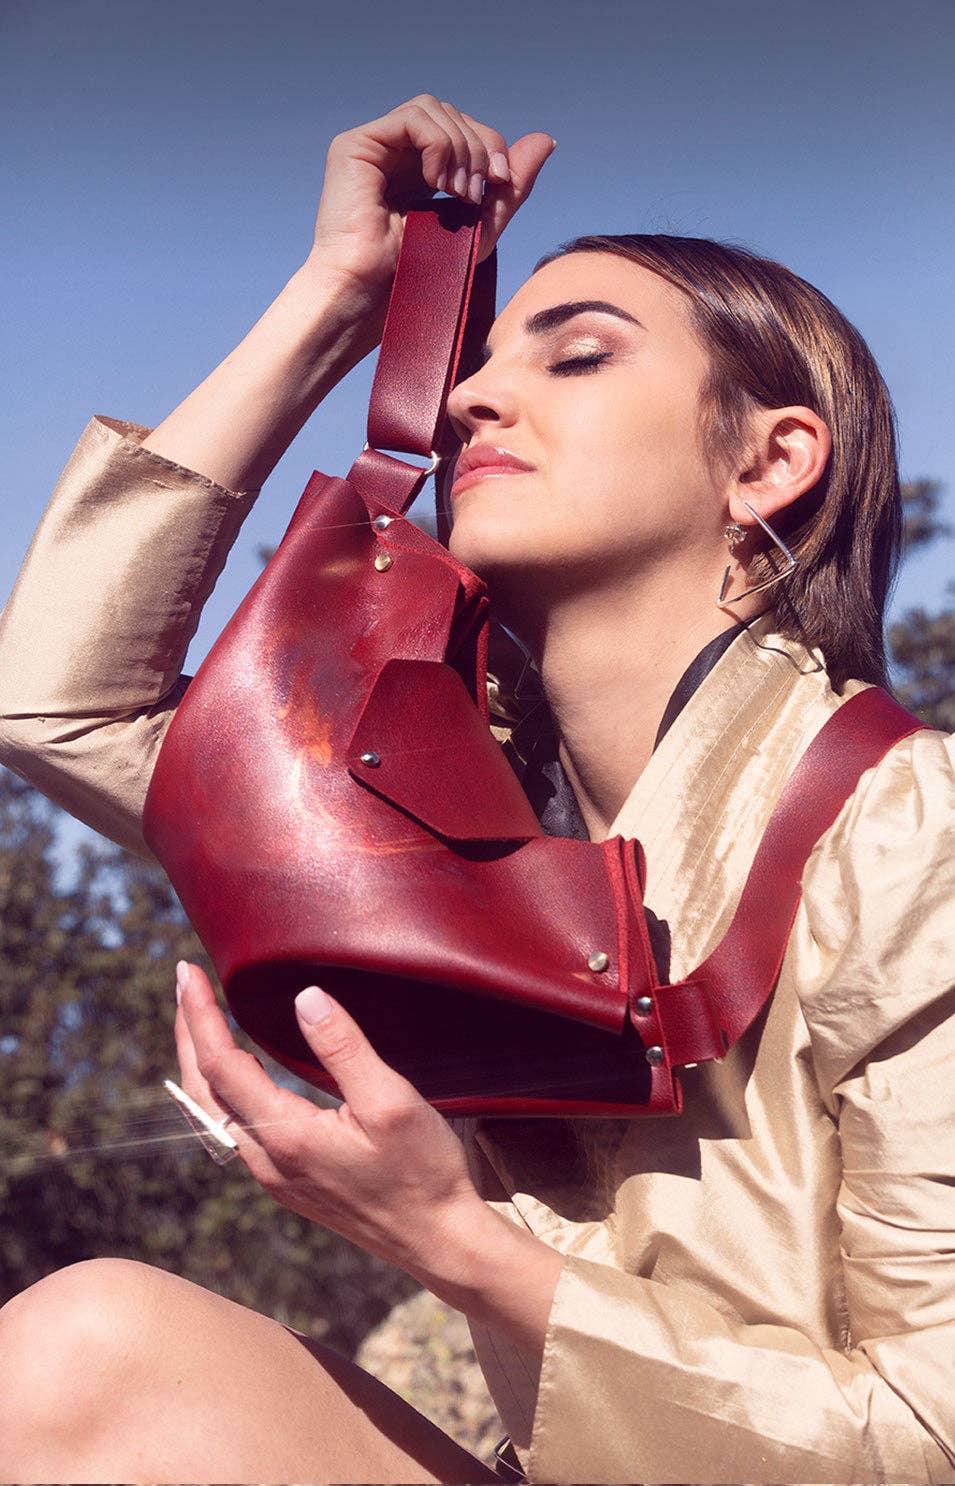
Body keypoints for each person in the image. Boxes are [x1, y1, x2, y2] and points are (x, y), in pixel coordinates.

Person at [0, 94, 952, 1486]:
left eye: (576, 358)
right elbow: (57, 704)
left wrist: (457, 1242)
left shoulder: (912, 827)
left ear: (770, 461)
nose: (471, 398)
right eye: (479, 360)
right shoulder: (428, 804)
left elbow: (933, 1432)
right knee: (88, 1348)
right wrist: (342, 303)